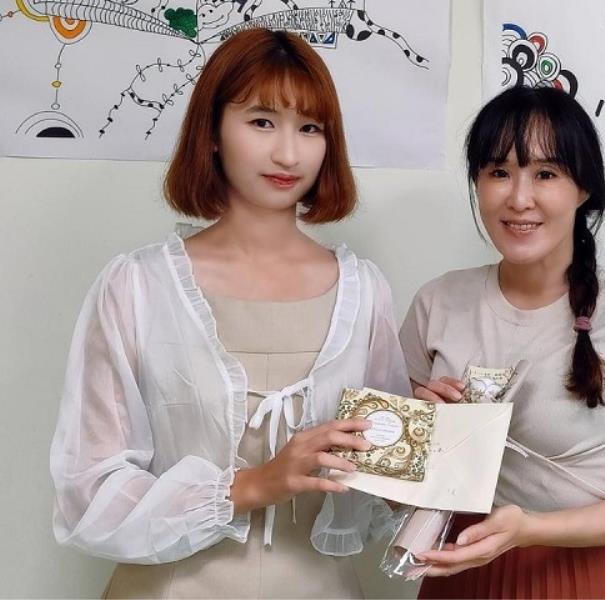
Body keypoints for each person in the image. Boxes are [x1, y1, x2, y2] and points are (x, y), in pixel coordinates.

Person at [49, 29, 410, 598]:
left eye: (309, 128)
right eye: (262, 121)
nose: (288, 154)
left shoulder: (364, 291)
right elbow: (86, 491)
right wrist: (250, 486)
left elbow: (384, 483)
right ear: (212, 131)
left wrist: (437, 434)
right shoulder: (138, 285)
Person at [399, 85, 605, 599]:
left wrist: (528, 529)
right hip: (457, 572)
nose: (519, 198)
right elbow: (393, 486)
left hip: (581, 577)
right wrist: (422, 435)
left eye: (546, 173)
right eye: (498, 172)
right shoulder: (437, 301)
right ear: (476, 183)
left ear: (584, 189)